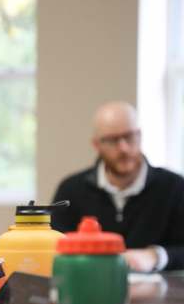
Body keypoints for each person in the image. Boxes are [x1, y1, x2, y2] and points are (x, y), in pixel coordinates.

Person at [52, 101, 184, 271]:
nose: (123, 148)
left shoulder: (174, 187)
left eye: (129, 136)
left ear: (140, 135)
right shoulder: (70, 190)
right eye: (112, 140)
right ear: (96, 145)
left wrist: (155, 256)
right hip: (90, 289)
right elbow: (55, 247)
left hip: (158, 294)